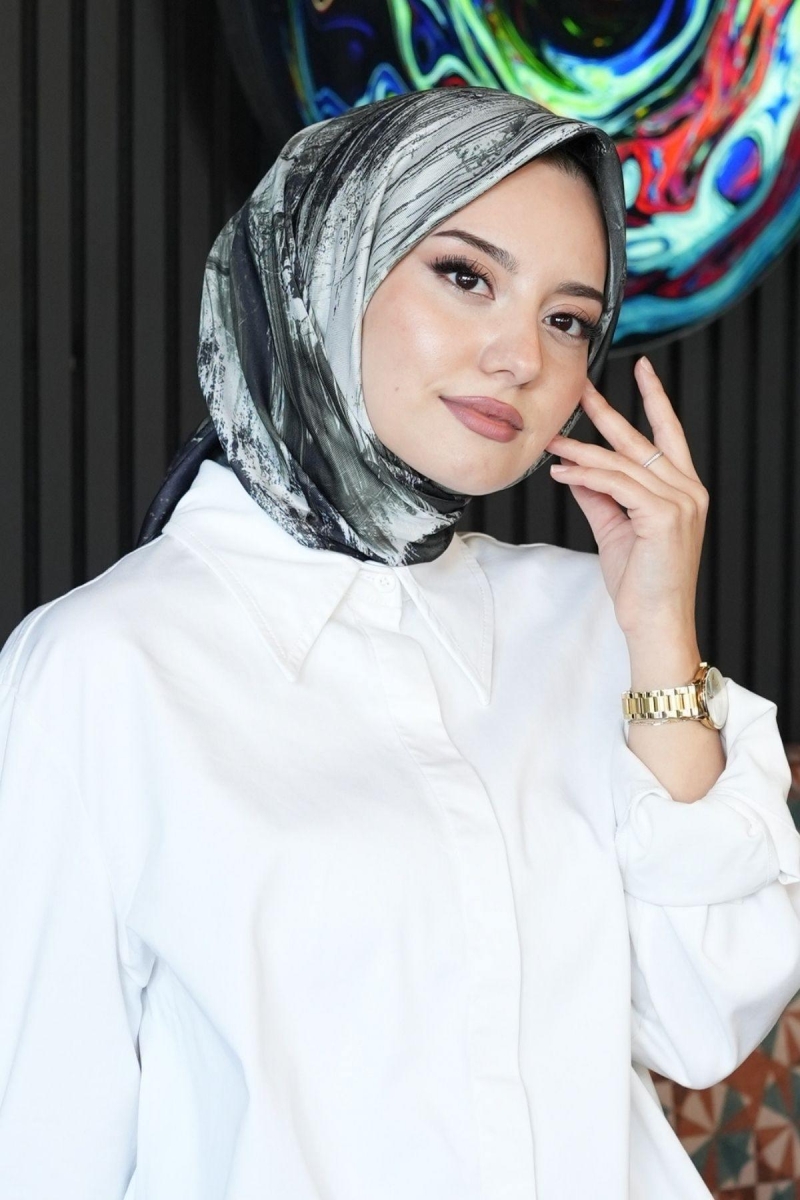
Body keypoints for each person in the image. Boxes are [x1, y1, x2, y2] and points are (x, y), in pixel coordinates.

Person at [0, 86, 798, 1200]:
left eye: (568, 320)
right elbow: (44, 1145)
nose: (521, 357)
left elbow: (705, 1019)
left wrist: (661, 632)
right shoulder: (105, 666)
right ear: (324, 264)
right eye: (465, 276)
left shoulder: (592, 621)